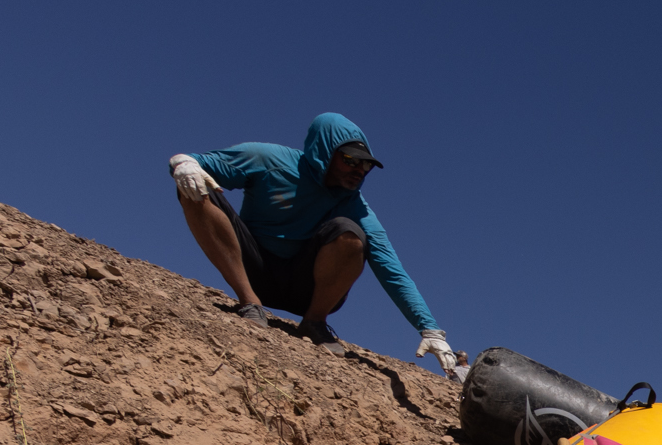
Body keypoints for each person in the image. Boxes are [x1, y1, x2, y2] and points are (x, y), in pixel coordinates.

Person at [169, 113, 455, 364]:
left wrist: (429, 329)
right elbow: (196, 162)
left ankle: (314, 323)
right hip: (253, 268)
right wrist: (183, 164)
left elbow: (392, 269)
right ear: (325, 151)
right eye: (351, 160)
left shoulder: (355, 205)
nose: (359, 170)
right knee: (193, 187)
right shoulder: (268, 160)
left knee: (350, 233)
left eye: (366, 165)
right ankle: (249, 303)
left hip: (304, 289)